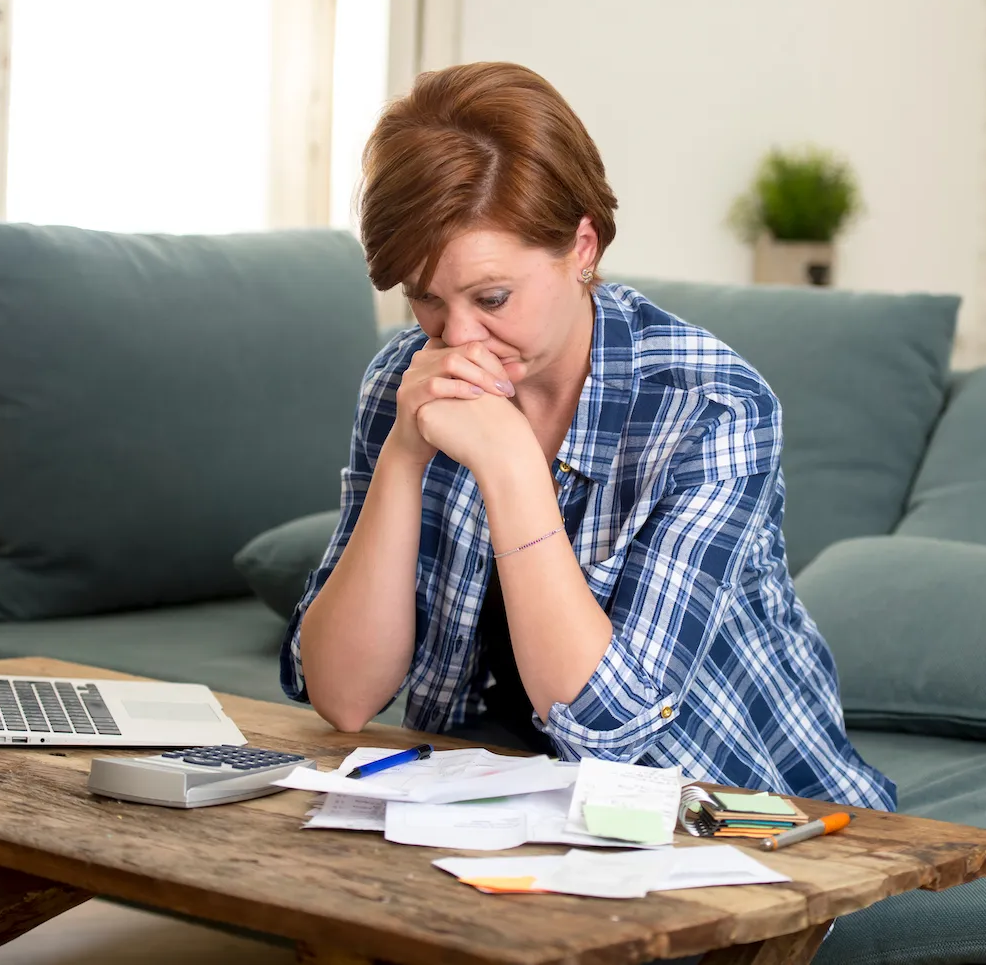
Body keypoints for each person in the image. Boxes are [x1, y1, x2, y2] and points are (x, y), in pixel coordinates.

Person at [280, 61, 895, 811]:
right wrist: (404, 458)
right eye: (425, 298)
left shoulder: (712, 409)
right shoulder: (409, 380)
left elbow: (610, 729)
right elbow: (341, 695)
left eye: (492, 296)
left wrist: (511, 471)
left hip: (727, 816)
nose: (458, 336)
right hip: (493, 812)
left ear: (583, 248)